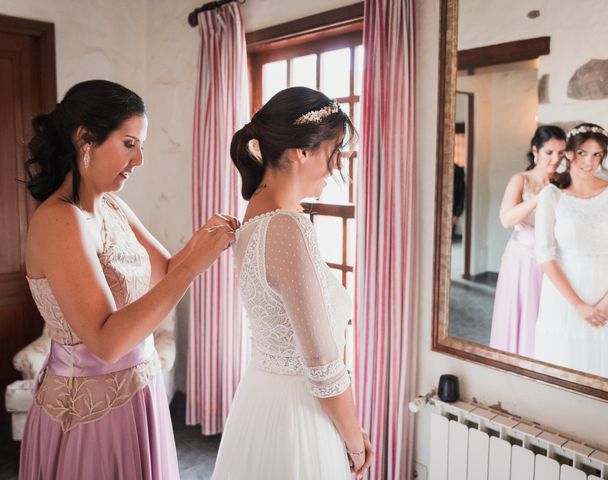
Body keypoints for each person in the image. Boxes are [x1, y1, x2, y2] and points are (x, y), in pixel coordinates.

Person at [19, 79, 236, 480]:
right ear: (85, 139)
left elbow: (164, 270)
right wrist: (194, 268)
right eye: (129, 144)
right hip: (91, 412)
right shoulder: (59, 221)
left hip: (140, 389)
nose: (138, 161)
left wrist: (205, 239)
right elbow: (107, 342)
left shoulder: (112, 205)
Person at [211, 87, 374, 480]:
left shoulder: (255, 216)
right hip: (297, 415)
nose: (334, 167)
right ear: (303, 151)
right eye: (332, 153)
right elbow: (322, 363)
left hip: (261, 399)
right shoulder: (286, 226)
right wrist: (353, 439)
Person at [534, 123, 608, 379]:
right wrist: (578, 305)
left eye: (597, 154)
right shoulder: (552, 196)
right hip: (565, 299)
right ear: (569, 153)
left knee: (605, 370)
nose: (590, 162)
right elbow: (544, 255)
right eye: (583, 153)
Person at [489, 126, 566, 356]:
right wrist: (538, 199)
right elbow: (505, 218)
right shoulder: (520, 180)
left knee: (545, 317)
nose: (556, 159)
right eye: (550, 152)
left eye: (561, 153)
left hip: (552, 261)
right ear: (535, 150)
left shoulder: (564, 181)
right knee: (521, 314)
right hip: (522, 260)